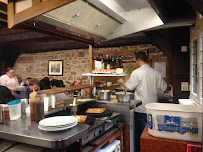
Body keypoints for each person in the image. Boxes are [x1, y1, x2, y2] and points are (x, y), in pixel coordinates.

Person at [117, 51, 167, 152]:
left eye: (135, 61)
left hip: (141, 109)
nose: (135, 63)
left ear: (139, 60)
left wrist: (122, 82)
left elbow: (129, 88)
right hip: (153, 108)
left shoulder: (137, 72)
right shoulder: (155, 72)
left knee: (141, 134)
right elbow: (164, 88)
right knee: (152, 134)